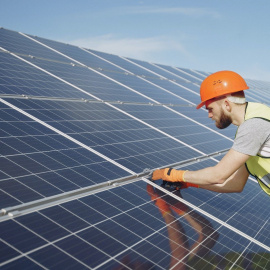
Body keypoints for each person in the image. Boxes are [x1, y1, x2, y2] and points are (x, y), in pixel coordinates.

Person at [151, 70, 270, 196]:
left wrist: (174, 174)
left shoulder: (254, 126)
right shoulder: (255, 119)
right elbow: (236, 184)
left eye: (210, 109)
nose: (209, 115)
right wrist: (192, 183)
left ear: (226, 104)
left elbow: (218, 175)